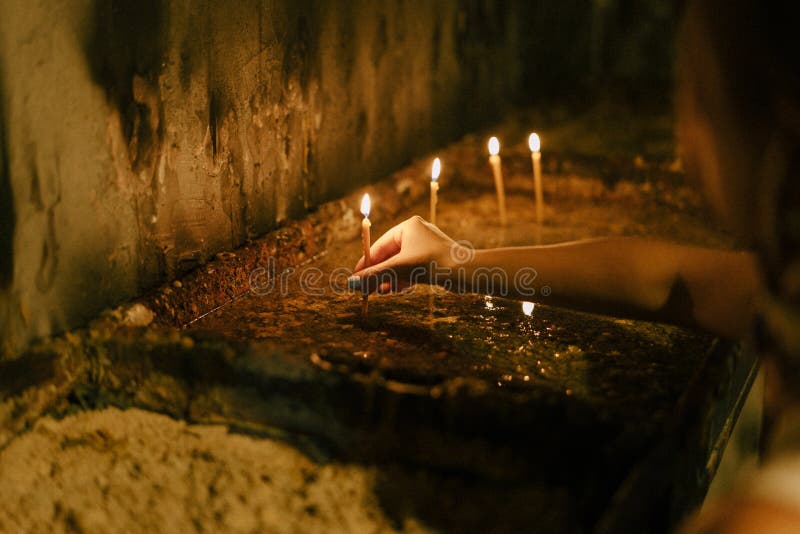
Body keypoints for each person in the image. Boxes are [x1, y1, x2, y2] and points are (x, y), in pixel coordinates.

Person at [352, 0, 800, 531]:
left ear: (758, 129)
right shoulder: (784, 290)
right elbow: (669, 282)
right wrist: (453, 260)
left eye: (691, 86)